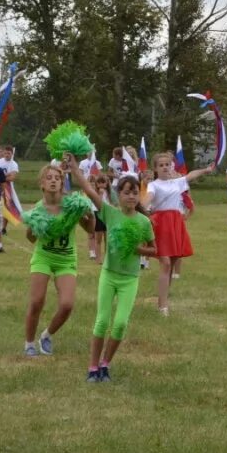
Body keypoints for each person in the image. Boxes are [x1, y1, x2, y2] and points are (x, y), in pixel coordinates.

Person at [68, 157, 156, 382]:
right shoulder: (110, 213)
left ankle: (105, 364)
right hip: (109, 274)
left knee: (120, 324)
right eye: (126, 192)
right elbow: (88, 189)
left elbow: (154, 250)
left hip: (130, 278)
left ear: (139, 196)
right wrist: (75, 168)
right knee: (102, 321)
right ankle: (92, 367)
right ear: (119, 194)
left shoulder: (144, 222)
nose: (131, 196)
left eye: (135, 192)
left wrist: (137, 249)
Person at [22, 162, 94, 355]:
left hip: (66, 259)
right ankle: (29, 344)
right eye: (49, 178)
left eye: (57, 178)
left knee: (67, 304)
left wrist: (91, 216)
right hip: (43, 257)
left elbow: (90, 229)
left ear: (62, 183)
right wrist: (34, 227)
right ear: (42, 184)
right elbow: (30, 239)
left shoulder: (72, 205)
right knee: (37, 301)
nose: (53, 181)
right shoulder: (38, 208)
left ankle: (46, 335)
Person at [143, 152, 214, 316]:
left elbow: (190, 175)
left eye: (167, 164)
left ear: (171, 166)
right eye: (160, 165)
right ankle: (162, 306)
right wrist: (142, 207)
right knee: (165, 263)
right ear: (155, 169)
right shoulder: (154, 185)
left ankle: (163, 300)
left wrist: (205, 170)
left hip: (175, 224)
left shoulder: (177, 182)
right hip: (161, 224)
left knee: (173, 262)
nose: (164, 167)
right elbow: (148, 198)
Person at [0, 145, 20, 235]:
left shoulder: (14, 164)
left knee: (7, 207)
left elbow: (12, 178)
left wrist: (1, 177)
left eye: (9, 153)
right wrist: (6, 175)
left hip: (8, 188)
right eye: (5, 153)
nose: (7, 155)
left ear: (12, 154)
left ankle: (3, 228)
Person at [87, 173, 112, 263]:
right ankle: (98, 258)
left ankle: (107, 258)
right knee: (98, 238)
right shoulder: (95, 193)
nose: (101, 185)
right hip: (98, 214)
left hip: (106, 215)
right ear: (96, 184)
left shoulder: (108, 193)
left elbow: (111, 204)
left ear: (106, 183)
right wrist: (100, 194)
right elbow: (98, 204)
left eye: (103, 182)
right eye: (99, 183)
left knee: (107, 238)